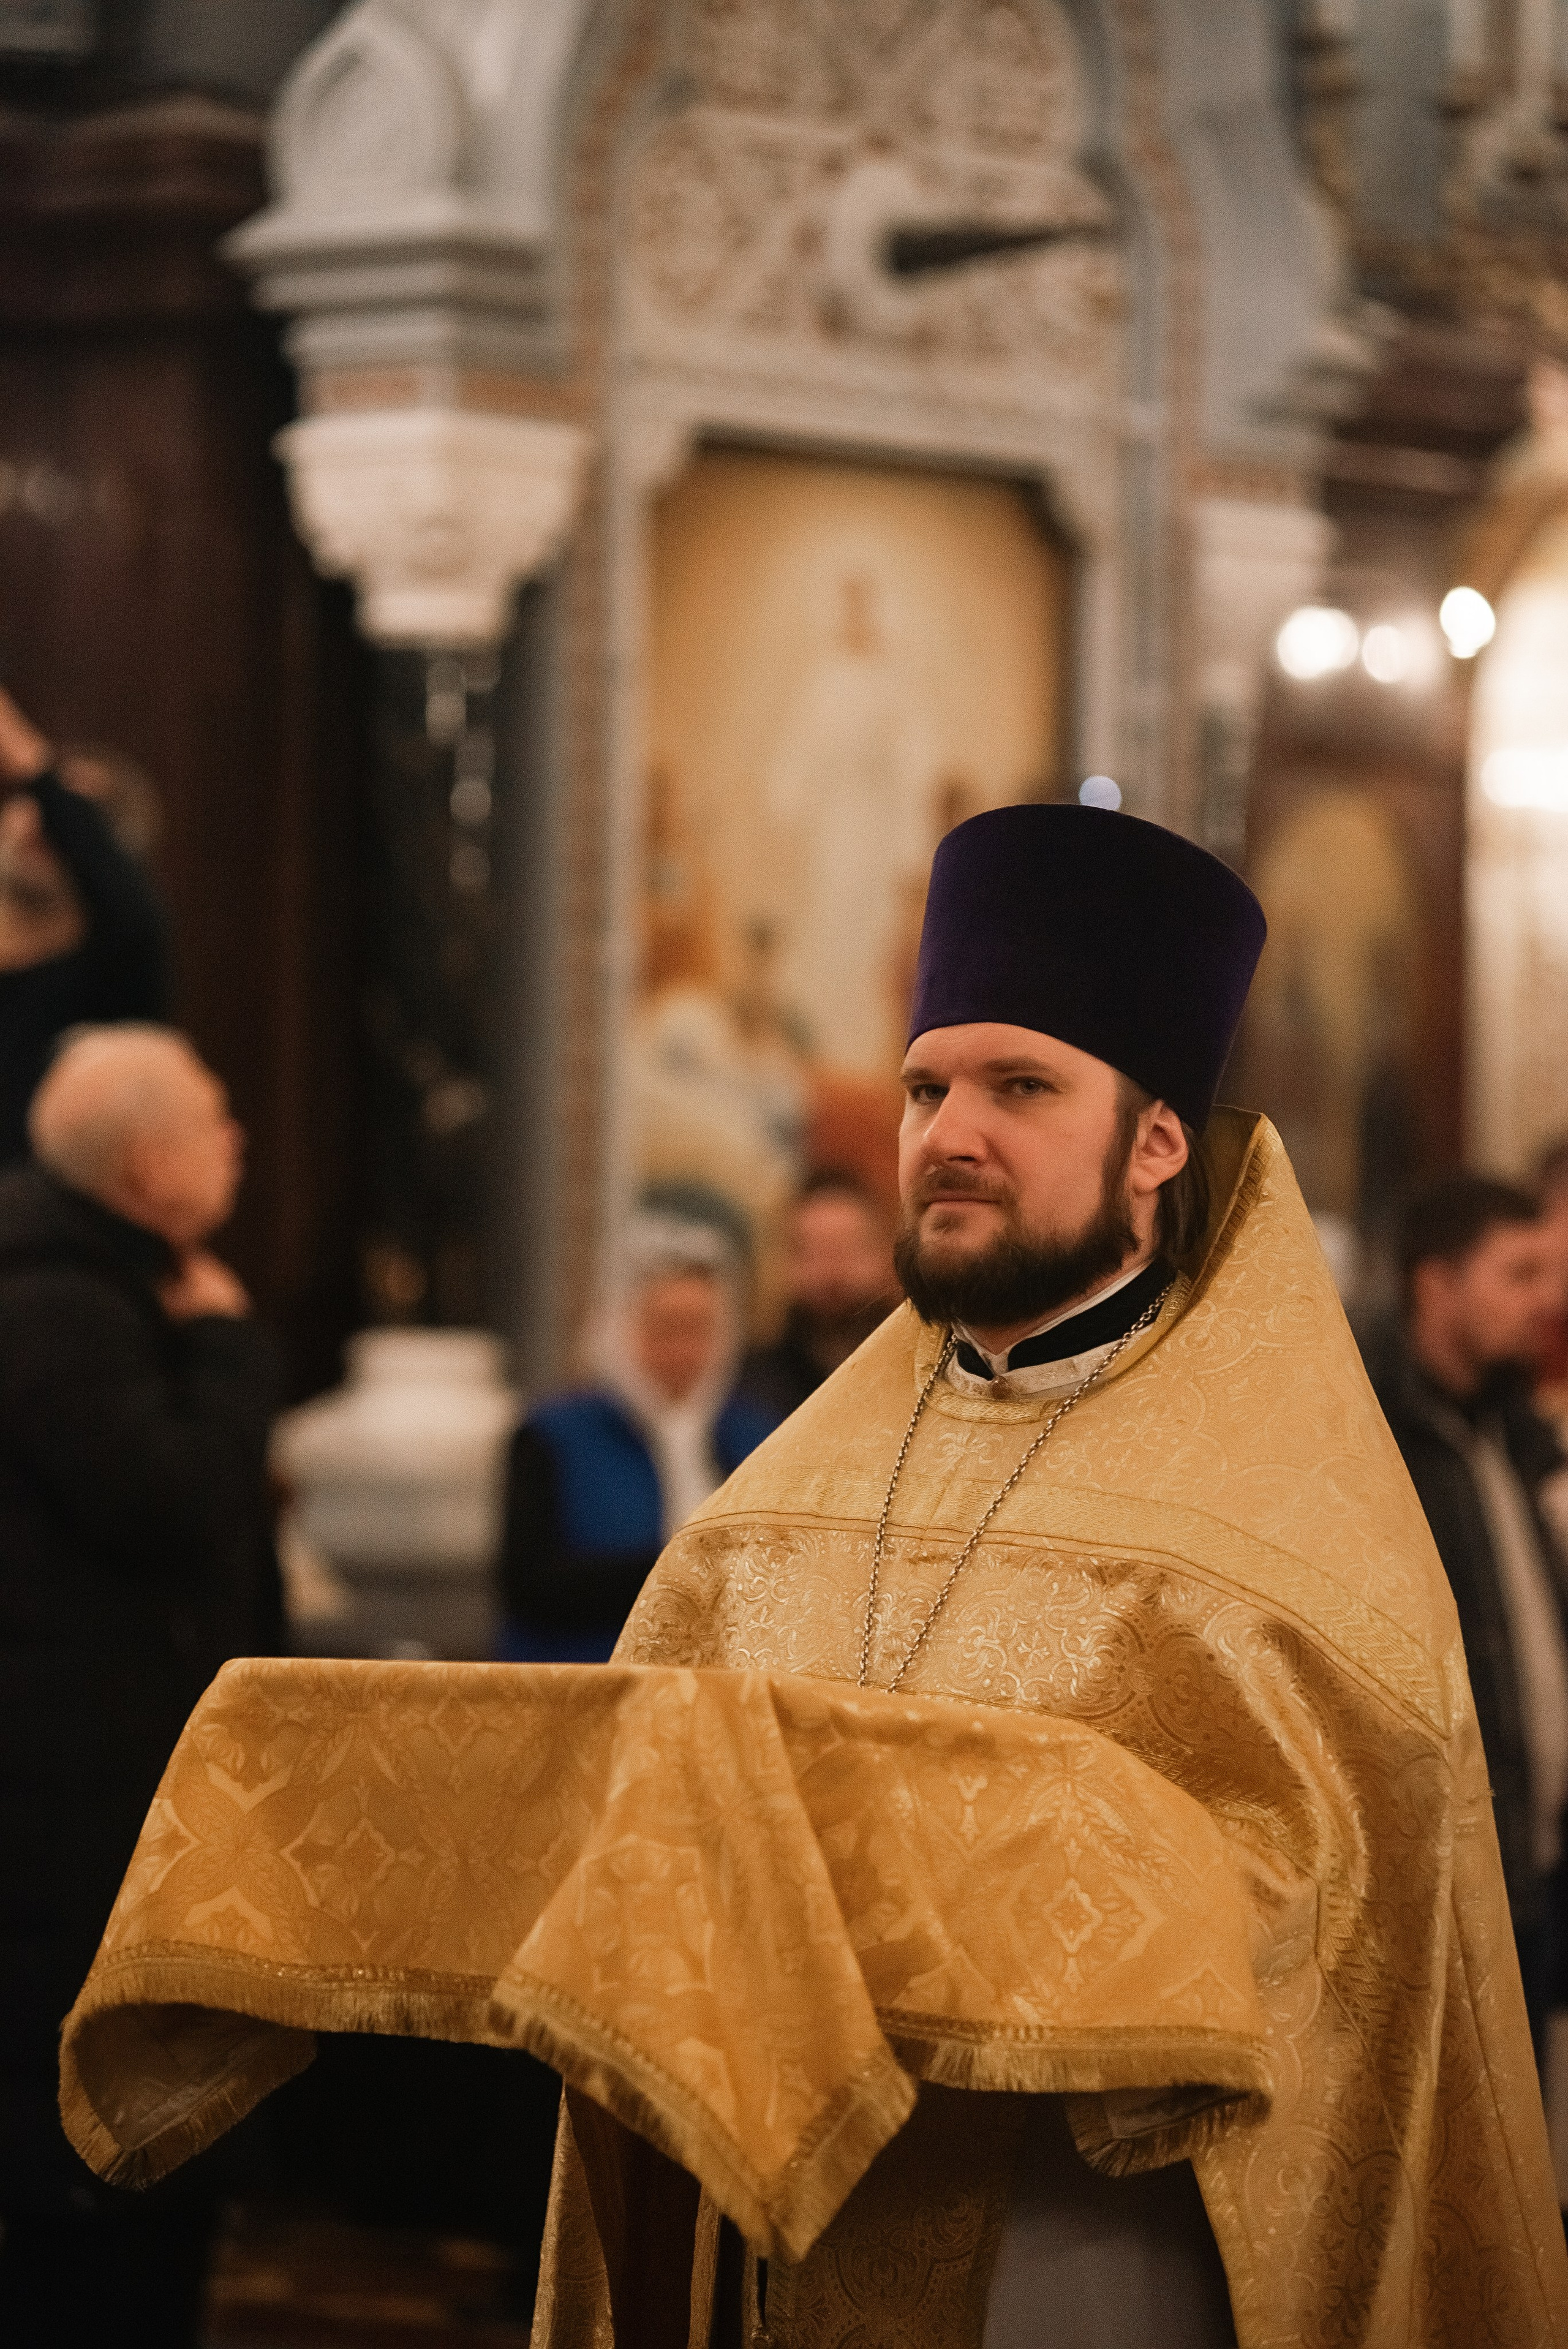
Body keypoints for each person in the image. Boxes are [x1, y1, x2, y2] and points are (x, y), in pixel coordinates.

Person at [537, 804, 1567, 2346]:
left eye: (1018, 1085)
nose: (948, 1130)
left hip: (1093, 2236)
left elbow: (1358, 1928)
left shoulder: (1289, 1531)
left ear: (1155, 1139)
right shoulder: (763, 1517)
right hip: (790, 2220)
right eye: (924, 1085)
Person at [0, 1024, 282, 2348]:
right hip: (74, 1793)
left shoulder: (97, 1281)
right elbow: (168, 1502)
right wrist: (227, 1349)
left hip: (101, 1774)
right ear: (151, 1161)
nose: (236, 1142)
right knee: (87, 2165)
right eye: (217, 1119)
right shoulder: (58, 1298)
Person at [1359, 1175, 1568, 2054]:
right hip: (1457, 1876)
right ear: (1436, 1285)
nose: (1547, 1299)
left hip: (1540, 1864)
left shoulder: (1511, 1424)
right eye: (1518, 1273)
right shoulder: (1376, 1438)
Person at [496, 1215, 778, 1663]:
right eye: (666, 1328)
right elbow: (531, 1585)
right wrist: (685, 1571)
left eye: (700, 1329)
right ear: (622, 1329)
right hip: (584, 1687)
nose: (684, 1351)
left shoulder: (757, 1438)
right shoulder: (554, 1436)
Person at [0, 685, 168, 1165]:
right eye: (32, 802)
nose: (42, 825)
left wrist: (32, 761)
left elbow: (133, 919)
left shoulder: (112, 975)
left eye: (71, 818)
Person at [739, 1168, 899, 1419]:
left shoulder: (920, 1372)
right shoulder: (751, 1392)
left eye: (848, 1250)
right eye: (813, 1253)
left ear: (885, 1254)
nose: (831, 1272)